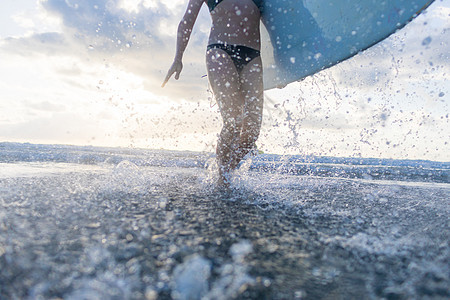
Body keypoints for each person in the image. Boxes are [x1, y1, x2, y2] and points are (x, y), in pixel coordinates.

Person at [162, 0, 264, 185]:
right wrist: (178, 57)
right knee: (233, 121)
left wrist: (285, 71)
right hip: (220, 50)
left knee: (252, 132)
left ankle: (224, 173)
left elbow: (278, 24)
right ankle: (222, 180)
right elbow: (187, 20)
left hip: (253, 56)